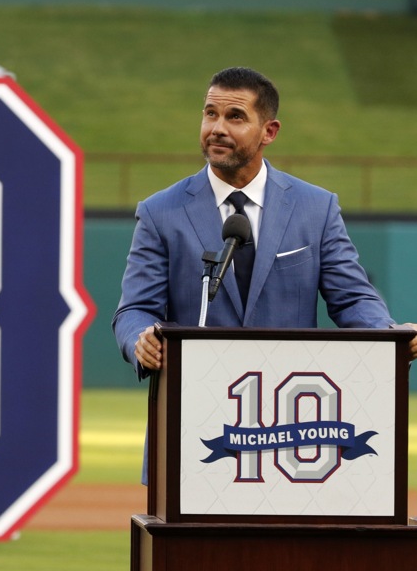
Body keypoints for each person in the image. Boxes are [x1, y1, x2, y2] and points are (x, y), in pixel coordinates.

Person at [112, 66, 417, 380]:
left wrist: (389, 336)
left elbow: (352, 297)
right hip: (190, 405)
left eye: (235, 117)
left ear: (269, 132)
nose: (217, 128)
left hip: (288, 411)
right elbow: (134, 310)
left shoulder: (316, 208)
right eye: (210, 113)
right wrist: (141, 339)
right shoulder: (159, 212)